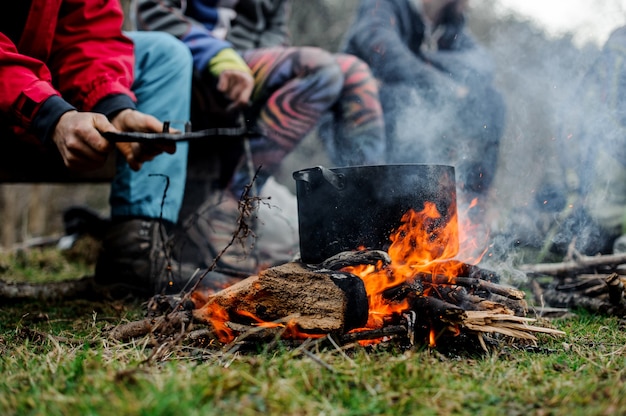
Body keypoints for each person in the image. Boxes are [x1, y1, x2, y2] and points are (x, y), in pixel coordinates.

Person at [0, 0, 247, 296]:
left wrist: (114, 105)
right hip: (16, 88)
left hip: (40, 74)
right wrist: (49, 113)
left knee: (165, 55)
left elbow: (88, 34)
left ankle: (134, 252)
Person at [135, 0, 387, 273]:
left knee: (355, 74)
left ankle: (364, 219)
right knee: (320, 69)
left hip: (250, 67)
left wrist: (267, 76)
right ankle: (233, 206)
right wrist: (220, 56)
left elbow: (275, 33)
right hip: (187, 63)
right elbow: (150, 11)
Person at [341, 0, 506, 219]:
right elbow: (381, 47)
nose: (469, 4)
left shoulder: (449, 25)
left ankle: (473, 209)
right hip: (359, 118)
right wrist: (444, 84)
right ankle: (400, 211)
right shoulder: (383, 5)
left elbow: (483, 64)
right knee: (404, 98)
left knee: (491, 100)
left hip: (422, 114)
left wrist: (422, 59)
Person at [535, 25, 626, 256]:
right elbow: (572, 132)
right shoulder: (616, 45)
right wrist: (575, 193)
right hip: (598, 207)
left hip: (608, 209)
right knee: (571, 242)